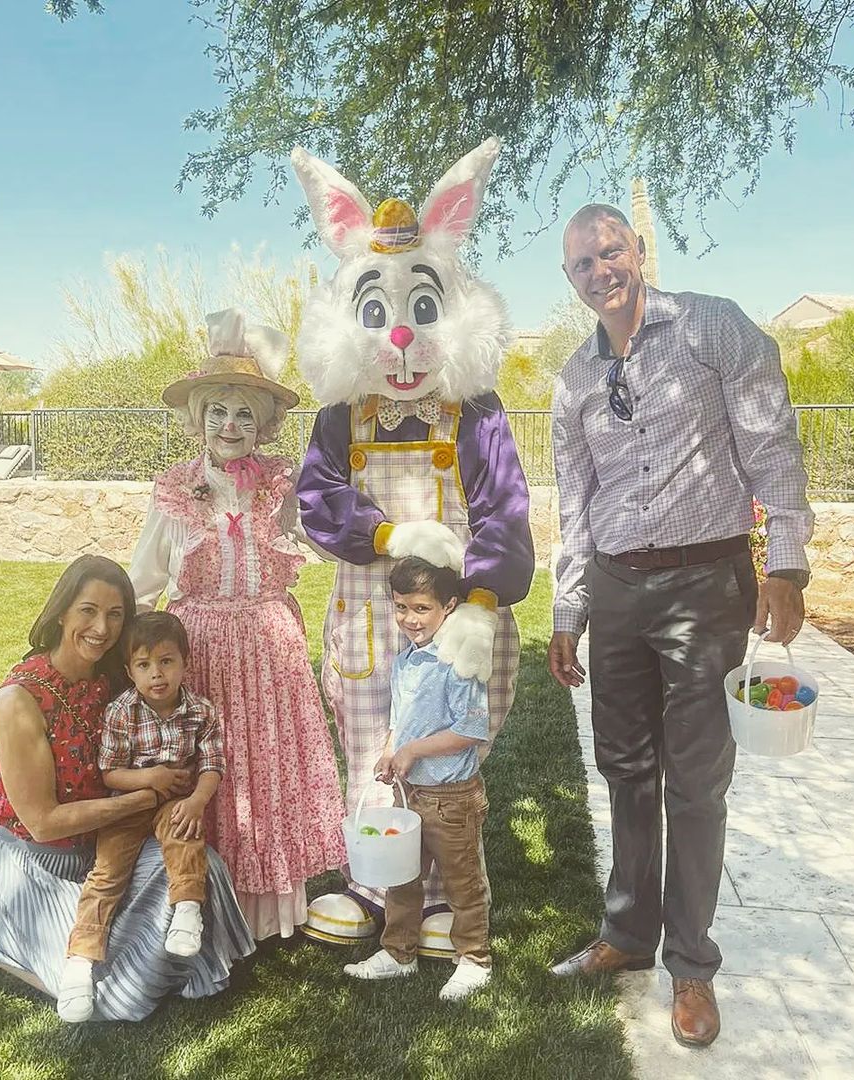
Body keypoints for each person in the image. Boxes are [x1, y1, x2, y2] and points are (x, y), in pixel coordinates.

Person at [547, 204, 813, 1047]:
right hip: (620, 591)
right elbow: (576, 505)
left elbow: (774, 446)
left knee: (695, 781)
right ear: (571, 280)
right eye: (582, 265)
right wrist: (569, 608)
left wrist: (788, 563)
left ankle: (692, 967)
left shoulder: (712, 328)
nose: (600, 271)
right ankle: (627, 937)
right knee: (625, 768)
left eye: (610, 252)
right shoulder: (573, 380)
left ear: (637, 251)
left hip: (708, 583)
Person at [290, 137, 534, 954]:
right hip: (368, 614)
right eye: (378, 313)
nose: (399, 337)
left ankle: (441, 894)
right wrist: (389, 533)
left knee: (447, 756)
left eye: (421, 311)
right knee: (372, 749)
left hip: (459, 616)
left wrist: (483, 604)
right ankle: (372, 884)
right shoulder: (340, 414)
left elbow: (504, 507)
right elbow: (317, 499)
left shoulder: (474, 410)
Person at [0, 555, 253, 1021]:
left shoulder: (115, 680)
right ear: (61, 611)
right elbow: (42, 821)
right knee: (115, 997)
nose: (102, 627)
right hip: (36, 862)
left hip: (104, 844)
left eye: (115, 614)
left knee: (203, 869)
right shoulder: (18, 701)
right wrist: (145, 796)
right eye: (88, 610)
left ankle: (5, 944)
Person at [129, 308, 346, 941]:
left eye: (244, 413)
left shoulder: (283, 485)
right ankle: (203, 905)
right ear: (198, 418)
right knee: (209, 776)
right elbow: (144, 579)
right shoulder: (175, 490)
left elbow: (329, 539)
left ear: (264, 423)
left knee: (267, 770)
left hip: (269, 650)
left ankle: (271, 909)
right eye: (218, 411)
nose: (230, 425)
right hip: (199, 654)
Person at [57, 611, 225, 1023]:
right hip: (128, 804)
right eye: (144, 665)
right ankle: (80, 962)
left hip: (175, 803)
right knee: (107, 874)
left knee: (185, 835)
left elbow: (213, 763)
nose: (157, 675)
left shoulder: (200, 711)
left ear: (186, 662)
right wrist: (148, 778)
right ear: (130, 671)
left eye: (166, 661)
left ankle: (187, 909)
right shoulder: (121, 713)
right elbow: (109, 771)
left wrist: (198, 802)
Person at [343, 557, 493, 1002]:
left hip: (452, 798)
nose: (410, 618)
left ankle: (474, 959)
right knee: (403, 877)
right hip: (410, 794)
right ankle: (398, 952)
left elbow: (469, 730)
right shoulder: (406, 659)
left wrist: (413, 751)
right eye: (401, 607)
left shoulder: (458, 663)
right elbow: (401, 717)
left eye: (421, 608)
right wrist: (391, 750)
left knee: (462, 881)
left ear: (448, 607)